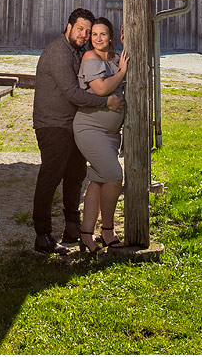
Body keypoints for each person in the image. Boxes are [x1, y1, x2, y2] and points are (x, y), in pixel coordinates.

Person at [31, 7, 123, 253]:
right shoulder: (58, 53)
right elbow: (73, 93)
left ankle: (73, 229)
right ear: (69, 26)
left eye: (87, 31)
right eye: (80, 29)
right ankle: (43, 235)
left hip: (71, 124)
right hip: (53, 124)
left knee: (75, 176)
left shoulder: (79, 51)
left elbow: (105, 59)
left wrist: (123, 43)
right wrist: (106, 102)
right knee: (51, 177)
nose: (84, 35)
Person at [73, 16, 129, 253]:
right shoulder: (90, 58)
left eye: (102, 34)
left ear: (110, 36)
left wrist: (127, 46)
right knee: (115, 177)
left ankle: (86, 235)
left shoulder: (115, 58)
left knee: (99, 179)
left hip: (111, 134)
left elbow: (125, 63)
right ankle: (108, 230)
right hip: (90, 128)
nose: (97, 39)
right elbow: (102, 88)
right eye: (93, 35)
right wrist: (123, 71)